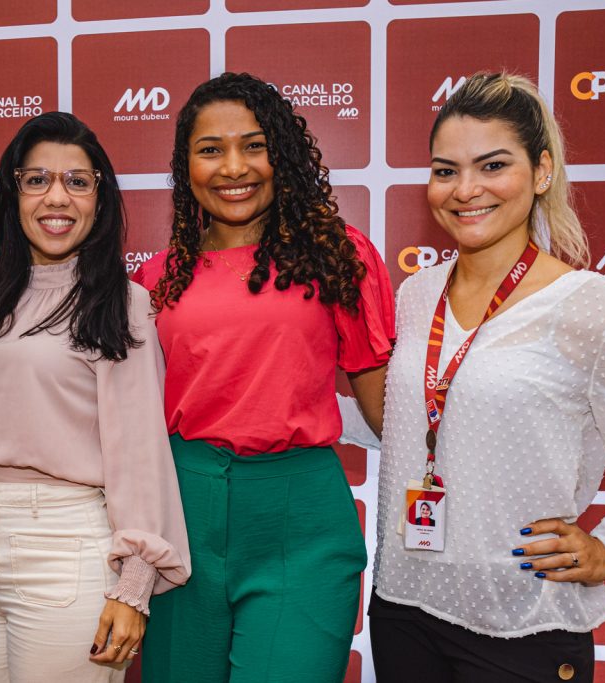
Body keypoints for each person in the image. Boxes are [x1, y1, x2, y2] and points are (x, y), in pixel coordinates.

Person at [339, 72, 605, 682]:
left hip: (523, 620)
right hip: (404, 603)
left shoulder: (594, 307)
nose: (465, 190)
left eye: (492, 166)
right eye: (445, 170)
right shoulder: (417, 294)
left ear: (542, 171)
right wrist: (280, 400)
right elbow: (410, 420)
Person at [132, 72, 395, 683]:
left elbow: (388, 410)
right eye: (210, 150)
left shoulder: (338, 254)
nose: (233, 167)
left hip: (299, 519)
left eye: (255, 145)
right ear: (185, 165)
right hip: (182, 516)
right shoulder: (155, 278)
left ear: (284, 153)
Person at [0, 112, 190, 683]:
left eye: (78, 181)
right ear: (14, 194)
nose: (58, 197)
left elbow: (140, 452)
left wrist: (133, 586)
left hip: (69, 555)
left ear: (100, 199)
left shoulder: (120, 303)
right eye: (38, 180)